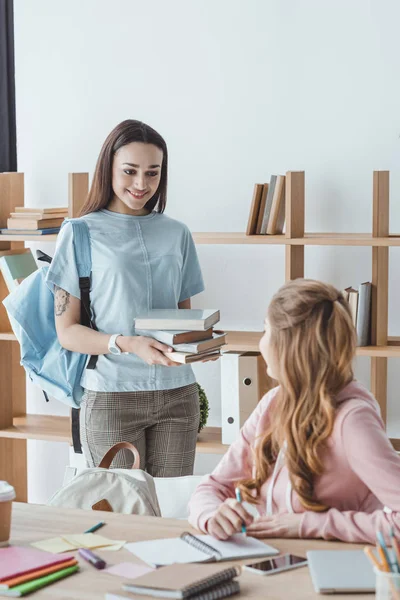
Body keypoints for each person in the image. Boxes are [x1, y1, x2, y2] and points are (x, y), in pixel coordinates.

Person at [46, 119, 207, 476]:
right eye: (130, 171)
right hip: (110, 396)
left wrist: (200, 345)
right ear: (109, 169)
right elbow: (67, 332)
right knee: (119, 515)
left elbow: (183, 321)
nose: (141, 184)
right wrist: (126, 343)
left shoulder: (177, 233)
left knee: (169, 511)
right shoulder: (80, 233)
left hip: (178, 394)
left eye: (152, 173)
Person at [188, 278, 400, 544]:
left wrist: (311, 524)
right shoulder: (274, 403)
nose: (262, 343)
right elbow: (212, 487)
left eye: (265, 332)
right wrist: (212, 514)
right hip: (278, 566)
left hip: (331, 574)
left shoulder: (353, 421)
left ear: (290, 349)